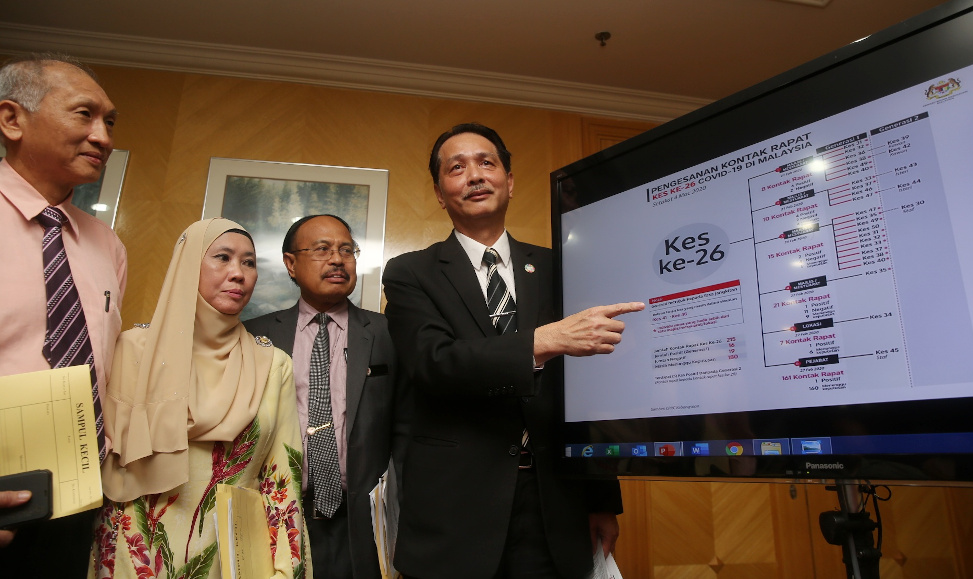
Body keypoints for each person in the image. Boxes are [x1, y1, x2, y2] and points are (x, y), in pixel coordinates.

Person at [382, 123, 645, 579]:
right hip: (455, 510)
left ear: (509, 181)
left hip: (554, 503)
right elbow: (433, 363)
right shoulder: (410, 273)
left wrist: (602, 499)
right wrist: (545, 341)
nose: (475, 175)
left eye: (487, 163)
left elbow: (585, 394)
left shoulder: (558, 267)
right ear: (440, 194)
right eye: (457, 168)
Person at [91, 218, 308, 579]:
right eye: (222, 257)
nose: (238, 273)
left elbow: (282, 480)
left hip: (231, 557)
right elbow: (100, 462)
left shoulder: (274, 365)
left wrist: (286, 569)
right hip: (136, 554)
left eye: (249, 262)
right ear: (189, 263)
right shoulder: (133, 351)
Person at [0, 54, 127, 575]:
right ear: (12, 119)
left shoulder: (107, 245)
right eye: (84, 114)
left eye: (110, 122)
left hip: (77, 502)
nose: (103, 137)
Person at [244, 215, 407, 579]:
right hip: (277, 514)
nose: (337, 259)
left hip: (364, 521)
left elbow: (407, 425)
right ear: (290, 263)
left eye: (346, 250)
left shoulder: (388, 333)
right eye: (322, 249)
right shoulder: (255, 337)